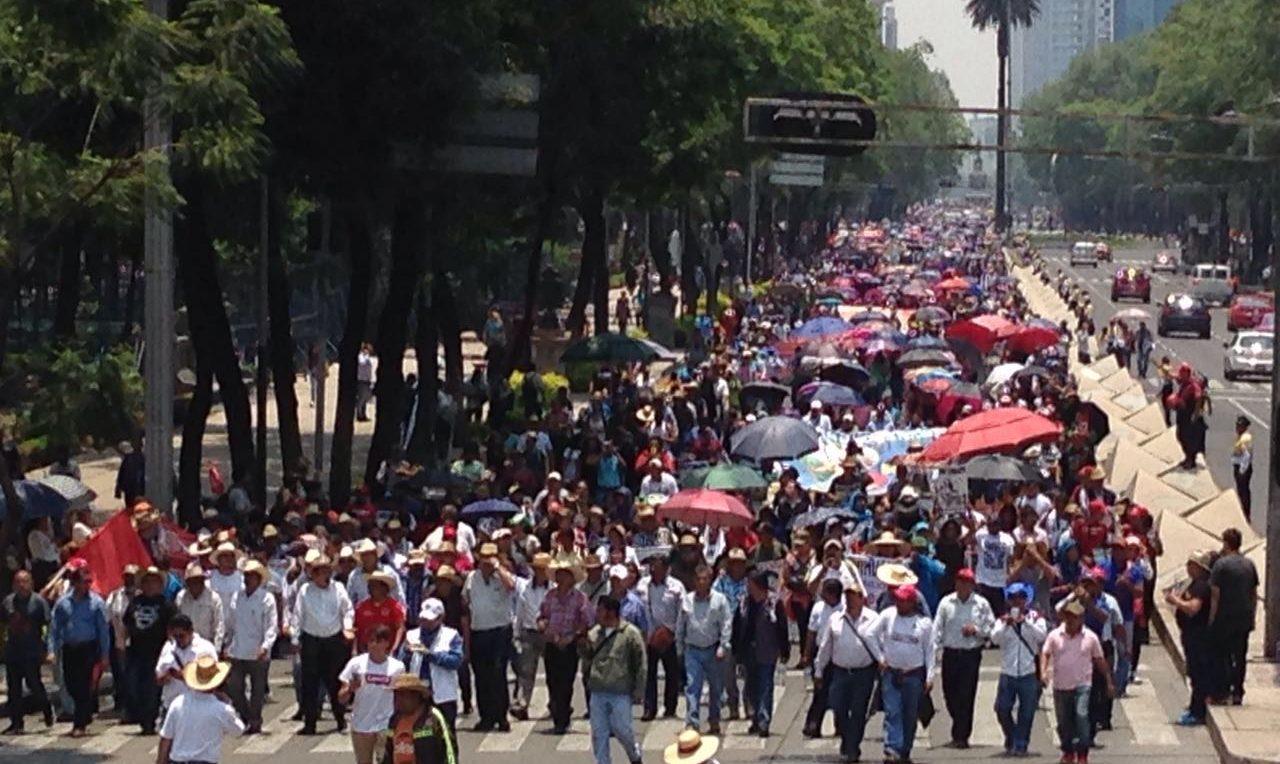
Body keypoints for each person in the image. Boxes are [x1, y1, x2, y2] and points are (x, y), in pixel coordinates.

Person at [813, 579, 881, 764]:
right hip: (840, 672)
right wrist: (819, 670)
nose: (850, 600)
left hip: (863, 673)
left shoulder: (873, 619)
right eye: (847, 596)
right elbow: (826, 647)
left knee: (859, 711)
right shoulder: (836, 619)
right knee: (838, 707)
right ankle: (847, 741)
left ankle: (852, 748)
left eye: (854, 596)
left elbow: (881, 644)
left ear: (861, 598)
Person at [1041, 598, 1114, 764]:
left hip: (1083, 685)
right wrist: (1044, 672)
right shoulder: (1055, 635)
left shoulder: (1090, 637)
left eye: (1076, 617)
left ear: (1081, 618)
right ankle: (1068, 751)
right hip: (1061, 686)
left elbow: (1099, 660)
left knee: (1082, 716)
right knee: (1063, 722)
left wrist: (1108, 681)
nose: (1073, 620)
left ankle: (1082, 753)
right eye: (1070, 616)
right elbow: (1045, 653)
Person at [932, 568, 994, 749]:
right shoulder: (946, 602)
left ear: (972, 585)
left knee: (966, 695)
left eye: (967, 582)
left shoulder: (981, 604)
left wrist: (976, 630)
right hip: (950, 653)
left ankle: (961, 735)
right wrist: (934, 651)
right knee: (949, 693)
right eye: (960, 581)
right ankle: (959, 723)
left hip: (970, 654)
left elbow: (991, 628)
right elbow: (937, 628)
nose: (963, 585)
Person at [293, 554, 355, 735]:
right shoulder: (305, 590)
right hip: (311, 640)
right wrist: (295, 638)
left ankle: (340, 719)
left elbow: (347, 610)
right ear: (314, 574)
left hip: (333, 640)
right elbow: (298, 615)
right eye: (320, 572)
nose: (325, 575)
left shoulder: (339, 588)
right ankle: (310, 723)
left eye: (327, 571)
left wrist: (347, 627)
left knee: (335, 682)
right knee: (309, 684)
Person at [873, 583, 934, 763]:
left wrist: (930, 676)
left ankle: (905, 750)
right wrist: (880, 657)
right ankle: (892, 748)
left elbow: (930, 651)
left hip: (914, 675)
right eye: (897, 600)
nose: (899, 604)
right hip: (891, 673)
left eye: (903, 601)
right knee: (893, 711)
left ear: (912, 603)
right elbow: (870, 634)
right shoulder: (887, 615)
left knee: (910, 714)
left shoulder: (924, 624)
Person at [48, 563, 110, 737]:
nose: (87, 585)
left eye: (89, 582)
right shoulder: (63, 603)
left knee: (84, 685)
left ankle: (79, 724)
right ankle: (85, 714)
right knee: (71, 684)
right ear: (75, 583)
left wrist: (105, 655)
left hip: (88, 649)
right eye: (83, 582)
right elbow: (54, 628)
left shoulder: (96, 603)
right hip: (70, 649)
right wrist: (51, 650)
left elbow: (103, 630)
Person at [583, 595, 646, 764]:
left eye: (600, 610)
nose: (597, 614)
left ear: (611, 613)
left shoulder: (630, 634)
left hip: (620, 692)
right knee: (599, 734)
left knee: (622, 730)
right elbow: (586, 656)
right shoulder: (595, 633)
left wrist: (639, 690)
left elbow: (640, 663)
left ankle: (634, 754)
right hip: (598, 691)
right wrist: (582, 642)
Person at [462, 542, 515, 732]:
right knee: (481, 676)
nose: (486, 563)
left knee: (498, 674)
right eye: (483, 559)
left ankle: (501, 716)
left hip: (500, 631)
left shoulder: (503, 575)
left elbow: (511, 586)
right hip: (479, 632)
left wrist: (497, 567)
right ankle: (486, 717)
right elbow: (466, 605)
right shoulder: (472, 578)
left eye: (489, 559)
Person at [991, 582, 1047, 757]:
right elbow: (994, 639)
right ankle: (1012, 736)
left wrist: (1025, 623)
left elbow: (1042, 636)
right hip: (1008, 671)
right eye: (1013, 598)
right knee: (1002, 708)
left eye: (1020, 597)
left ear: (1026, 599)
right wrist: (1007, 625)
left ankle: (1021, 744)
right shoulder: (1001, 620)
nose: (1017, 601)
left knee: (1027, 711)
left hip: (1028, 671)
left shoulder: (1036, 618)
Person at [676, 564, 733, 735]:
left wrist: (723, 645)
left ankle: (714, 719)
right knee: (693, 687)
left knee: (716, 687)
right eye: (699, 579)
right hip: (692, 650)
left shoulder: (720, 600)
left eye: (705, 579)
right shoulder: (687, 600)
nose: (701, 582)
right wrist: (679, 648)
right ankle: (692, 722)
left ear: (710, 580)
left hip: (713, 650)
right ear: (694, 581)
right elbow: (681, 625)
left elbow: (726, 624)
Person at [539, 559, 594, 733]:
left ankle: (562, 718)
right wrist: (542, 625)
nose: (560, 577)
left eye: (564, 574)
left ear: (571, 578)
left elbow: (587, 621)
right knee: (552, 681)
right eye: (558, 574)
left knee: (566, 682)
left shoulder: (580, 598)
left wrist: (572, 636)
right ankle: (558, 714)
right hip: (552, 643)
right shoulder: (550, 596)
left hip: (570, 645)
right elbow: (542, 616)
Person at [732, 570, 789, 738]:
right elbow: (737, 627)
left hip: (767, 651)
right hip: (748, 652)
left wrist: (784, 650)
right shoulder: (744, 603)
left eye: (750, 583)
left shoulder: (774, 603)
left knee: (766, 686)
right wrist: (736, 651)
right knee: (751, 688)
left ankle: (764, 721)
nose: (748, 587)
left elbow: (782, 627)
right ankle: (755, 718)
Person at [156, 655, 244, 764]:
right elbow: (238, 731)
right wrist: (229, 705)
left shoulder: (178, 703)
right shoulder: (222, 709)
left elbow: (166, 739)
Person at [224, 559, 278, 734]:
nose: (247, 579)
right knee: (234, 687)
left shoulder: (267, 598)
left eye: (251, 576)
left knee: (258, 690)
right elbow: (231, 623)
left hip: (258, 651)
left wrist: (265, 646)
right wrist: (227, 644)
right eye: (246, 575)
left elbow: (271, 626)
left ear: (259, 578)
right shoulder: (237, 596)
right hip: (238, 650)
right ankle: (247, 716)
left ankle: (255, 720)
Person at [340, 625, 406, 764]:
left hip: (386, 724)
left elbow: (401, 696)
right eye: (371, 641)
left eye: (378, 641)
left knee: (386, 761)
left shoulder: (397, 667)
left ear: (387, 643)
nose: (374, 645)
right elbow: (341, 698)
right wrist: (350, 689)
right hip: (361, 724)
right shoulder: (356, 664)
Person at [1208, 527, 1258, 705]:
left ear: (1226, 543)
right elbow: (1254, 594)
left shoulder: (1220, 565)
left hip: (1225, 617)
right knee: (1240, 656)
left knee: (1223, 655)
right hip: (1244, 617)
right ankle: (1238, 691)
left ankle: (1224, 689)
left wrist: (1211, 619)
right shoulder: (1249, 565)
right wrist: (1253, 615)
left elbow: (1215, 595)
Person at [125, 566, 177, 734]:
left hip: (157, 653)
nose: (150, 585)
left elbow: (173, 628)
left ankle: (149, 722)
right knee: (133, 687)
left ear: (160, 585)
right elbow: (127, 622)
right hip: (136, 652)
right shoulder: (135, 602)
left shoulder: (167, 605)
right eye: (147, 582)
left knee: (152, 690)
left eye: (154, 582)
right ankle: (141, 717)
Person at [1, 570, 53, 733]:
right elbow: (3, 624)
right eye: (18, 582)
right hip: (13, 652)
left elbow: (47, 626)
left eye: (25, 582)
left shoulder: (39, 602)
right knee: (14, 689)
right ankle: (16, 723)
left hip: (32, 652)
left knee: (34, 684)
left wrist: (46, 648)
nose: (21, 585)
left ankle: (46, 709)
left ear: (31, 583)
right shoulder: (8, 602)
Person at [400, 598, 464, 731]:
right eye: (423, 619)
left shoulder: (451, 635)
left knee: (446, 733)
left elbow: (456, 661)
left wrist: (431, 655)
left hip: (443, 694)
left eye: (430, 620)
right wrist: (407, 653)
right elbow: (401, 662)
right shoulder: (411, 635)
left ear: (440, 618)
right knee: (420, 732)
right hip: (418, 694)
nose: (425, 623)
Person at [1166, 550, 1213, 725]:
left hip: (1198, 636)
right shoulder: (1193, 584)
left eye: (1190, 564)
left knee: (1198, 674)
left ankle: (1197, 711)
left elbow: (1193, 608)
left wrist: (1175, 601)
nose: (1187, 567)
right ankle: (1194, 706)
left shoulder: (1201, 586)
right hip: (1190, 635)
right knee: (1193, 672)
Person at [639, 555, 685, 722]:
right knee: (649, 674)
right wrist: (650, 634)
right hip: (650, 636)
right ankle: (649, 708)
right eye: (651, 567)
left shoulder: (676, 586)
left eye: (657, 567)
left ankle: (670, 707)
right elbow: (641, 609)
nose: (653, 570)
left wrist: (672, 632)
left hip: (670, 636)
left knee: (672, 673)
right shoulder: (643, 585)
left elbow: (682, 612)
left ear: (666, 569)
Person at [155, 613, 218, 725]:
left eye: (181, 636)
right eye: (175, 636)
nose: (178, 640)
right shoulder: (168, 647)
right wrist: (165, 677)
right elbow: (158, 677)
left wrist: (184, 676)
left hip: (198, 707)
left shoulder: (205, 649)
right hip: (172, 706)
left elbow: (213, 679)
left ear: (191, 632)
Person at [382, 673, 458, 764]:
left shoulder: (434, 717)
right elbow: (388, 753)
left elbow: (450, 752)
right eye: (396, 695)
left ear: (416, 696)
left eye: (402, 695)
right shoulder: (394, 720)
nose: (397, 700)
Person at [510, 552, 551, 721]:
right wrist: (516, 634)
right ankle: (523, 704)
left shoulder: (554, 588)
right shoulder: (525, 587)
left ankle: (555, 704)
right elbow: (519, 611)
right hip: (529, 632)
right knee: (526, 671)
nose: (539, 572)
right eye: (537, 569)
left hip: (549, 634)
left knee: (553, 672)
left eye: (542, 569)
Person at [175, 562, 225, 654]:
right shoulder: (181, 597)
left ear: (203, 580)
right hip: (185, 647)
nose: (195, 583)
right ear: (187, 582)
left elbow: (219, 626)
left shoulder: (214, 598)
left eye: (198, 580)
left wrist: (216, 649)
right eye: (192, 580)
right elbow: (177, 623)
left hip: (207, 647)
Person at [1231, 416, 1254, 521]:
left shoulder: (1245, 438)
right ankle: (1243, 511)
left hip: (1243, 468)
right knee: (1241, 491)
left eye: (1239, 426)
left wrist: (1242, 470)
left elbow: (1247, 455)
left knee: (1244, 492)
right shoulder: (1241, 436)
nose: (1237, 427)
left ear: (1244, 427)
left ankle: (1245, 513)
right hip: (1239, 467)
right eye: (1237, 425)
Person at [357, 343, 376, 421]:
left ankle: (363, 414)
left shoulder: (368, 358)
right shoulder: (361, 356)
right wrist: (366, 356)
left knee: (365, 399)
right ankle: (359, 414)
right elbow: (362, 363)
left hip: (367, 380)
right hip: (362, 380)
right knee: (361, 399)